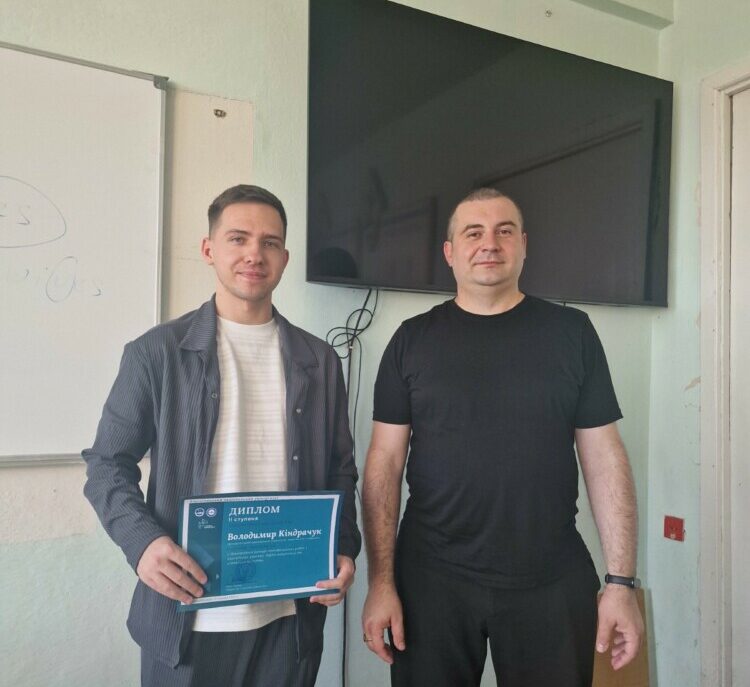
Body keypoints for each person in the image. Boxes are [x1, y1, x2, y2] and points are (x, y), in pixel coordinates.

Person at [361, 188, 643, 687]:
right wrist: (381, 582)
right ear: (450, 252)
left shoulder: (572, 333)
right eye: (473, 233)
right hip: (431, 581)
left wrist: (621, 583)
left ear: (524, 246)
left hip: (551, 579)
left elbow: (605, 457)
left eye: (504, 231)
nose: (489, 243)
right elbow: (384, 463)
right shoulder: (410, 340)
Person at [83, 184, 360, 687]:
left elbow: (341, 470)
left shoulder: (319, 361)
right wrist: (142, 544)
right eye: (238, 238)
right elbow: (106, 464)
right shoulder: (156, 353)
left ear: (285, 257)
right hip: (186, 619)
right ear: (209, 249)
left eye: (270, 243)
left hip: (289, 618)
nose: (255, 254)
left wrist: (343, 547)